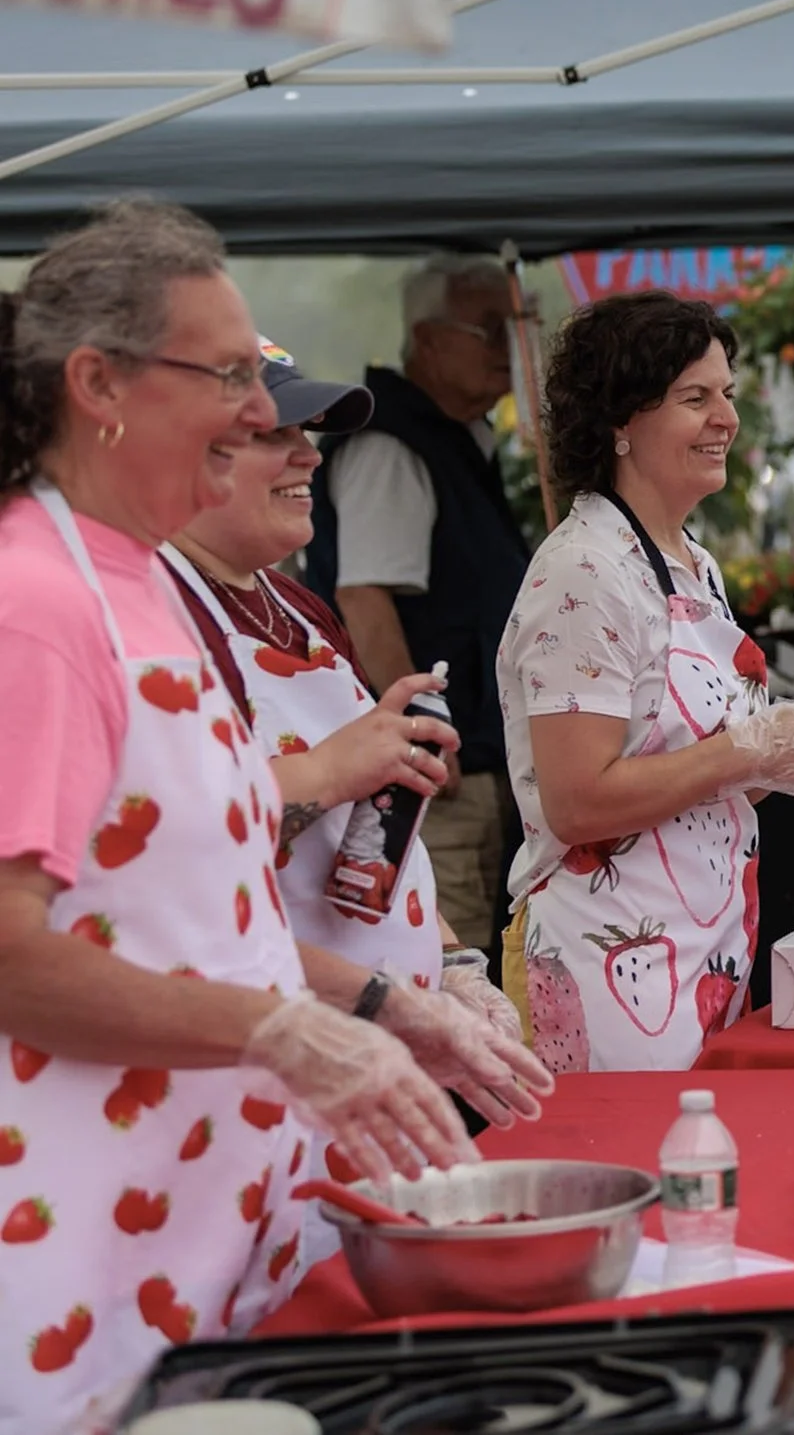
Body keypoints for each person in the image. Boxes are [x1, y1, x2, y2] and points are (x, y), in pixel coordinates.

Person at [0, 203, 539, 1432]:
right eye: (231, 377)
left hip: (225, 1233)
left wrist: (395, 998)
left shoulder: (138, 583)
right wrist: (283, 1031)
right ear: (97, 385)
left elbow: (191, 913)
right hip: (82, 1252)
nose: (262, 415)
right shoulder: (35, 602)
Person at [158, 338, 548, 1238]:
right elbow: (172, 861)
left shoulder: (297, 604)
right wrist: (334, 768)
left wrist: (451, 965)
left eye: (310, 434)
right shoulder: (157, 616)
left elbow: (375, 824)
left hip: (366, 1080)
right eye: (276, 434)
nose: (310, 457)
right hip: (254, 1082)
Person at [500, 291, 794, 1073]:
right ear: (621, 420)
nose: (727, 418)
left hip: (704, 951)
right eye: (695, 397)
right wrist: (753, 746)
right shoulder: (584, 570)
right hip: (603, 963)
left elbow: (698, 778)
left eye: (728, 394)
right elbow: (577, 803)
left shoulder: (692, 562)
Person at [308, 254, 531, 959]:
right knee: (448, 960)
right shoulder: (390, 445)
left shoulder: (454, 438)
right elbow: (364, 597)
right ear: (429, 340)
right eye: (489, 328)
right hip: (435, 778)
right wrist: (421, 734)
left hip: (468, 760)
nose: (507, 348)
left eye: (513, 328)